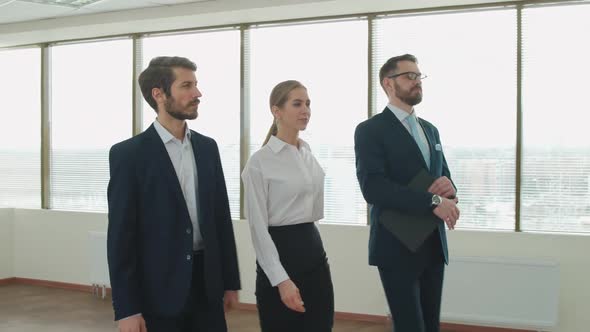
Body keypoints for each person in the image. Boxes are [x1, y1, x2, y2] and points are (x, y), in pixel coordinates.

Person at [107, 56, 240, 332]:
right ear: (159, 94)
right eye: (186, 86)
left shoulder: (207, 148)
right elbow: (121, 237)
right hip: (158, 292)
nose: (197, 93)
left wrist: (229, 281)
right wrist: (127, 308)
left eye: (196, 85)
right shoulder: (128, 155)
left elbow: (220, 218)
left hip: (207, 286)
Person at [354, 54, 460, 332]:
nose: (417, 82)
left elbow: (443, 177)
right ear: (388, 83)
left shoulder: (431, 130)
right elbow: (373, 188)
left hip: (433, 245)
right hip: (396, 245)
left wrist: (450, 192)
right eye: (409, 76)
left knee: (430, 326)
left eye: (419, 76)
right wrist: (433, 201)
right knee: (409, 326)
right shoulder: (370, 130)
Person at [241, 80, 334, 332]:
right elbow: (258, 230)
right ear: (276, 110)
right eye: (297, 104)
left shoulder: (307, 153)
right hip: (280, 254)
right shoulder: (259, 163)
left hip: (314, 252)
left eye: (308, 104)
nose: (305, 110)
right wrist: (281, 280)